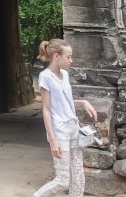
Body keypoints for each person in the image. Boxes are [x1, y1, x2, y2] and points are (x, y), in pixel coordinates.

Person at [34, 38, 98, 197]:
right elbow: (47, 109)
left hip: (73, 128)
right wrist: (52, 140)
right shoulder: (45, 77)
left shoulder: (65, 75)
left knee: (78, 179)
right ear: (56, 56)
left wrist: (83, 102)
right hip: (59, 131)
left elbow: (66, 102)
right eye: (68, 57)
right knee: (63, 180)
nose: (71, 60)